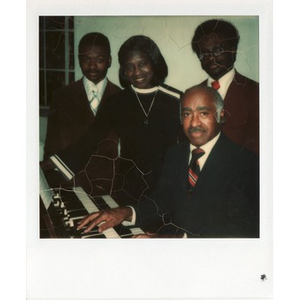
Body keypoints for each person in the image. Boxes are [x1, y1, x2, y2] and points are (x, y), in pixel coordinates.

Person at [77, 85, 259, 238]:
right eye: (187, 114)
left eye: (203, 113)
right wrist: (126, 212)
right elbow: (162, 201)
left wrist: (169, 242)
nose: (194, 123)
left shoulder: (246, 162)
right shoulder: (175, 153)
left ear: (220, 115)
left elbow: (240, 232)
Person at [42, 35, 182, 200]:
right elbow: (87, 142)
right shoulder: (116, 102)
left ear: (154, 62)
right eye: (129, 67)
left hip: (165, 187)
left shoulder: (176, 99)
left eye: (142, 64)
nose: (136, 72)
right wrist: (44, 166)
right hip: (128, 190)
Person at [43, 32, 121, 159]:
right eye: (86, 60)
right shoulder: (61, 97)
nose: (92, 66)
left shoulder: (121, 97)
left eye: (99, 60)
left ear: (109, 61)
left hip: (111, 177)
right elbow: (51, 148)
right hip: (71, 177)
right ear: (79, 60)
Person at [191, 19, 259, 154]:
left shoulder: (255, 92)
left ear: (233, 50)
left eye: (217, 50)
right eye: (204, 53)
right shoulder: (192, 95)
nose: (211, 58)